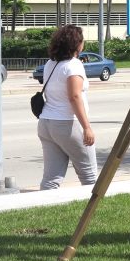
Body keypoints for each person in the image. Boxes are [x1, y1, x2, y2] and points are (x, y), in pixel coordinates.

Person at [37, 24, 97, 191]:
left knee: (51, 179)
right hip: (67, 124)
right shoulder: (74, 65)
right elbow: (74, 96)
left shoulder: (50, 63)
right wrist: (87, 127)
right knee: (89, 175)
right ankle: (93, 207)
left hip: (46, 124)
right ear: (77, 44)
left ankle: (45, 206)